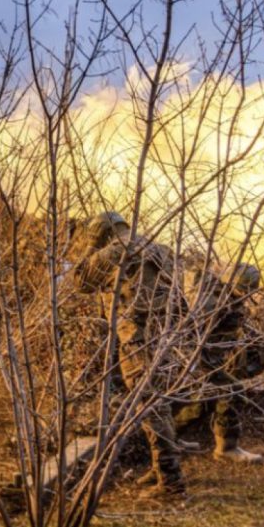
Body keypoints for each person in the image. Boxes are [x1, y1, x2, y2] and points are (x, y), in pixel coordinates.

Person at [69, 211, 187, 498]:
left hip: (136, 338)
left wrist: (90, 245)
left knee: (149, 403)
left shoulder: (114, 251)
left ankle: (171, 481)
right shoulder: (157, 247)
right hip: (163, 337)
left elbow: (81, 282)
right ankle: (160, 468)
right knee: (158, 401)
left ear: (102, 231)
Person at [180, 260, 264, 462]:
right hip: (199, 361)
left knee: (202, 402)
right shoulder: (210, 302)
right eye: (243, 289)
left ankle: (171, 438)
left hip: (209, 361)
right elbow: (190, 336)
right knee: (233, 391)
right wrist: (195, 367)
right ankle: (226, 449)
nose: (245, 295)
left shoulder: (227, 297)